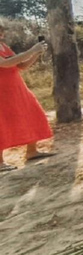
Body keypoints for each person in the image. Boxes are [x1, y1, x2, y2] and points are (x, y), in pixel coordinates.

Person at [0, 25, 56, 172]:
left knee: (31, 113)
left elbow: (21, 65)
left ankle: (32, 151)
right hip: (2, 92)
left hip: (17, 88)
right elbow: (4, 63)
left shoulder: (4, 46)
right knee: (3, 123)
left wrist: (36, 53)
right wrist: (31, 50)